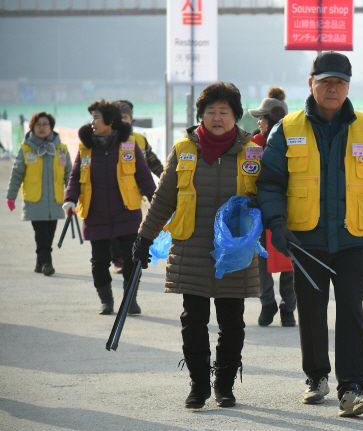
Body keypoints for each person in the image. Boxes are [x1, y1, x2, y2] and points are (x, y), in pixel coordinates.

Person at [256, 51, 363, 417]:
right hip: (305, 238)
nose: (332, 89)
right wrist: (276, 224)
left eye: (340, 83)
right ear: (311, 84)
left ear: (348, 86)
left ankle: (352, 387)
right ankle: (316, 377)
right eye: (325, 82)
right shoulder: (288, 128)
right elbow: (269, 184)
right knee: (311, 311)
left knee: (350, 309)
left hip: (352, 239)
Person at [131, 82, 261, 409]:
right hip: (192, 248)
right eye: (211, 112)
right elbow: (163, 200)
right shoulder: (184, 150)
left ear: (236, 116)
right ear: (200, 115)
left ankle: (225, 385)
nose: (217, 118)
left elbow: (269, 196)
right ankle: (199, 384)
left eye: (224, 112)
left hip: (234, 253)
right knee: (193, 320)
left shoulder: (254, 152)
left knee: (232, 323)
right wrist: (144, 237)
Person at [63, 100, 156, 315]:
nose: (93, 122)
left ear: (110, 121)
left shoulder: (130, 145)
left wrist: (156, 201)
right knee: (99, 262)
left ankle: (130, 300)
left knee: (133, 260)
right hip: (96, 215)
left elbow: (144, 177)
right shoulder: (85, 148)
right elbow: (76, 177)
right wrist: (70, 199)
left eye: (97, 117)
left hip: (128, 213)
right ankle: (106, 300)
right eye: (92, 118)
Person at [247, 87, 295, 327]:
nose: (258, 121)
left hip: (290, 212)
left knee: (289, 260)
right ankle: (268, 304)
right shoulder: (252, 144)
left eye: (262, 117)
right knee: (261, 261)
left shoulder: (296, 143)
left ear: (273, 119)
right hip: (259, 212)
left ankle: (288, 308)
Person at [6, 112, 72, 275]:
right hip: (35, 200)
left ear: (51, 127)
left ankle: (39, 263)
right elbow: (17, 173)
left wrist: (72, 197)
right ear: (32, 127)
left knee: (49, 234)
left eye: (45, 124)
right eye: (38, 125)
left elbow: (69, 175)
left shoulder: (61, 149)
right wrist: (11, 196)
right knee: (41, 234)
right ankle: (47, 264)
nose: (42, 128)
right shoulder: (26, 149)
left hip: (56, 200)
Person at [109, 99, 164, 272]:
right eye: (120, 116)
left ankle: (128, 259)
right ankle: (117, 259)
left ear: (131, 119)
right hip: (111, 194)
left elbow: (153, 163)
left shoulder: (139, 139)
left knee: (132, 230)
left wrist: (166, 178)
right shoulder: (107, 139)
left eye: (126, 116)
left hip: (133, 195)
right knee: (113, 232)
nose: (123, 120)